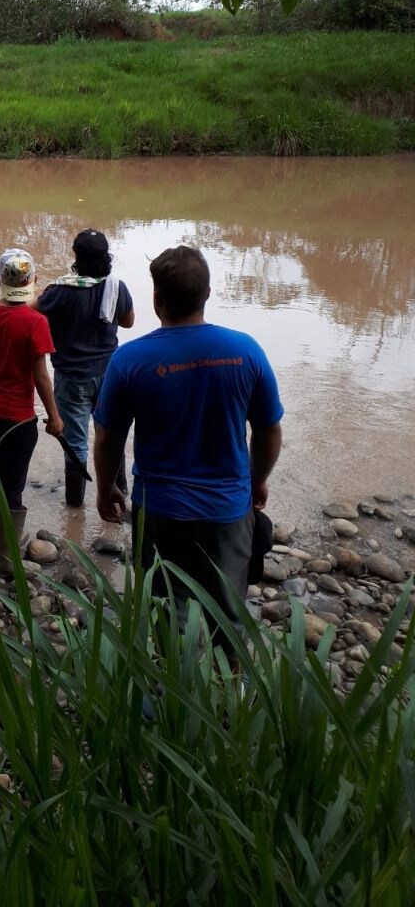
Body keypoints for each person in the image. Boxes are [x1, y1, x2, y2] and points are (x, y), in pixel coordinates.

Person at [92, 245, 283, 648]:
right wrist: (258, 478)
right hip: (228, 509)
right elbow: (268, 430)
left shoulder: (130, 360)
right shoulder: (246, 351)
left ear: (156, 297)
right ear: (208, 294)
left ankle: (169, 695)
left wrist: (105, 487)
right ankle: (229, 697)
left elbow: (108, 437)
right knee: (229, 613)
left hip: (161, 513)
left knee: (164, 612)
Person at [0, 248, 63, 573]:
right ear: (33, 282)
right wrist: (55, 417)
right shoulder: (36, 322)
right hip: (19, 418)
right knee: (13, 485)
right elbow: (40, 376)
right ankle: (6, 562)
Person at [31, 229, 134, 507]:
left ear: (76, 256)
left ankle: (75, 507)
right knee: (110, 434)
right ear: (106, 256)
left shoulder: (61, 290)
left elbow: (29, 312)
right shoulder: (116, 286)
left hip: (72, 377)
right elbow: (128, 322)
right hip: (110, 374)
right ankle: (119, 494)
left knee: (76, 442)